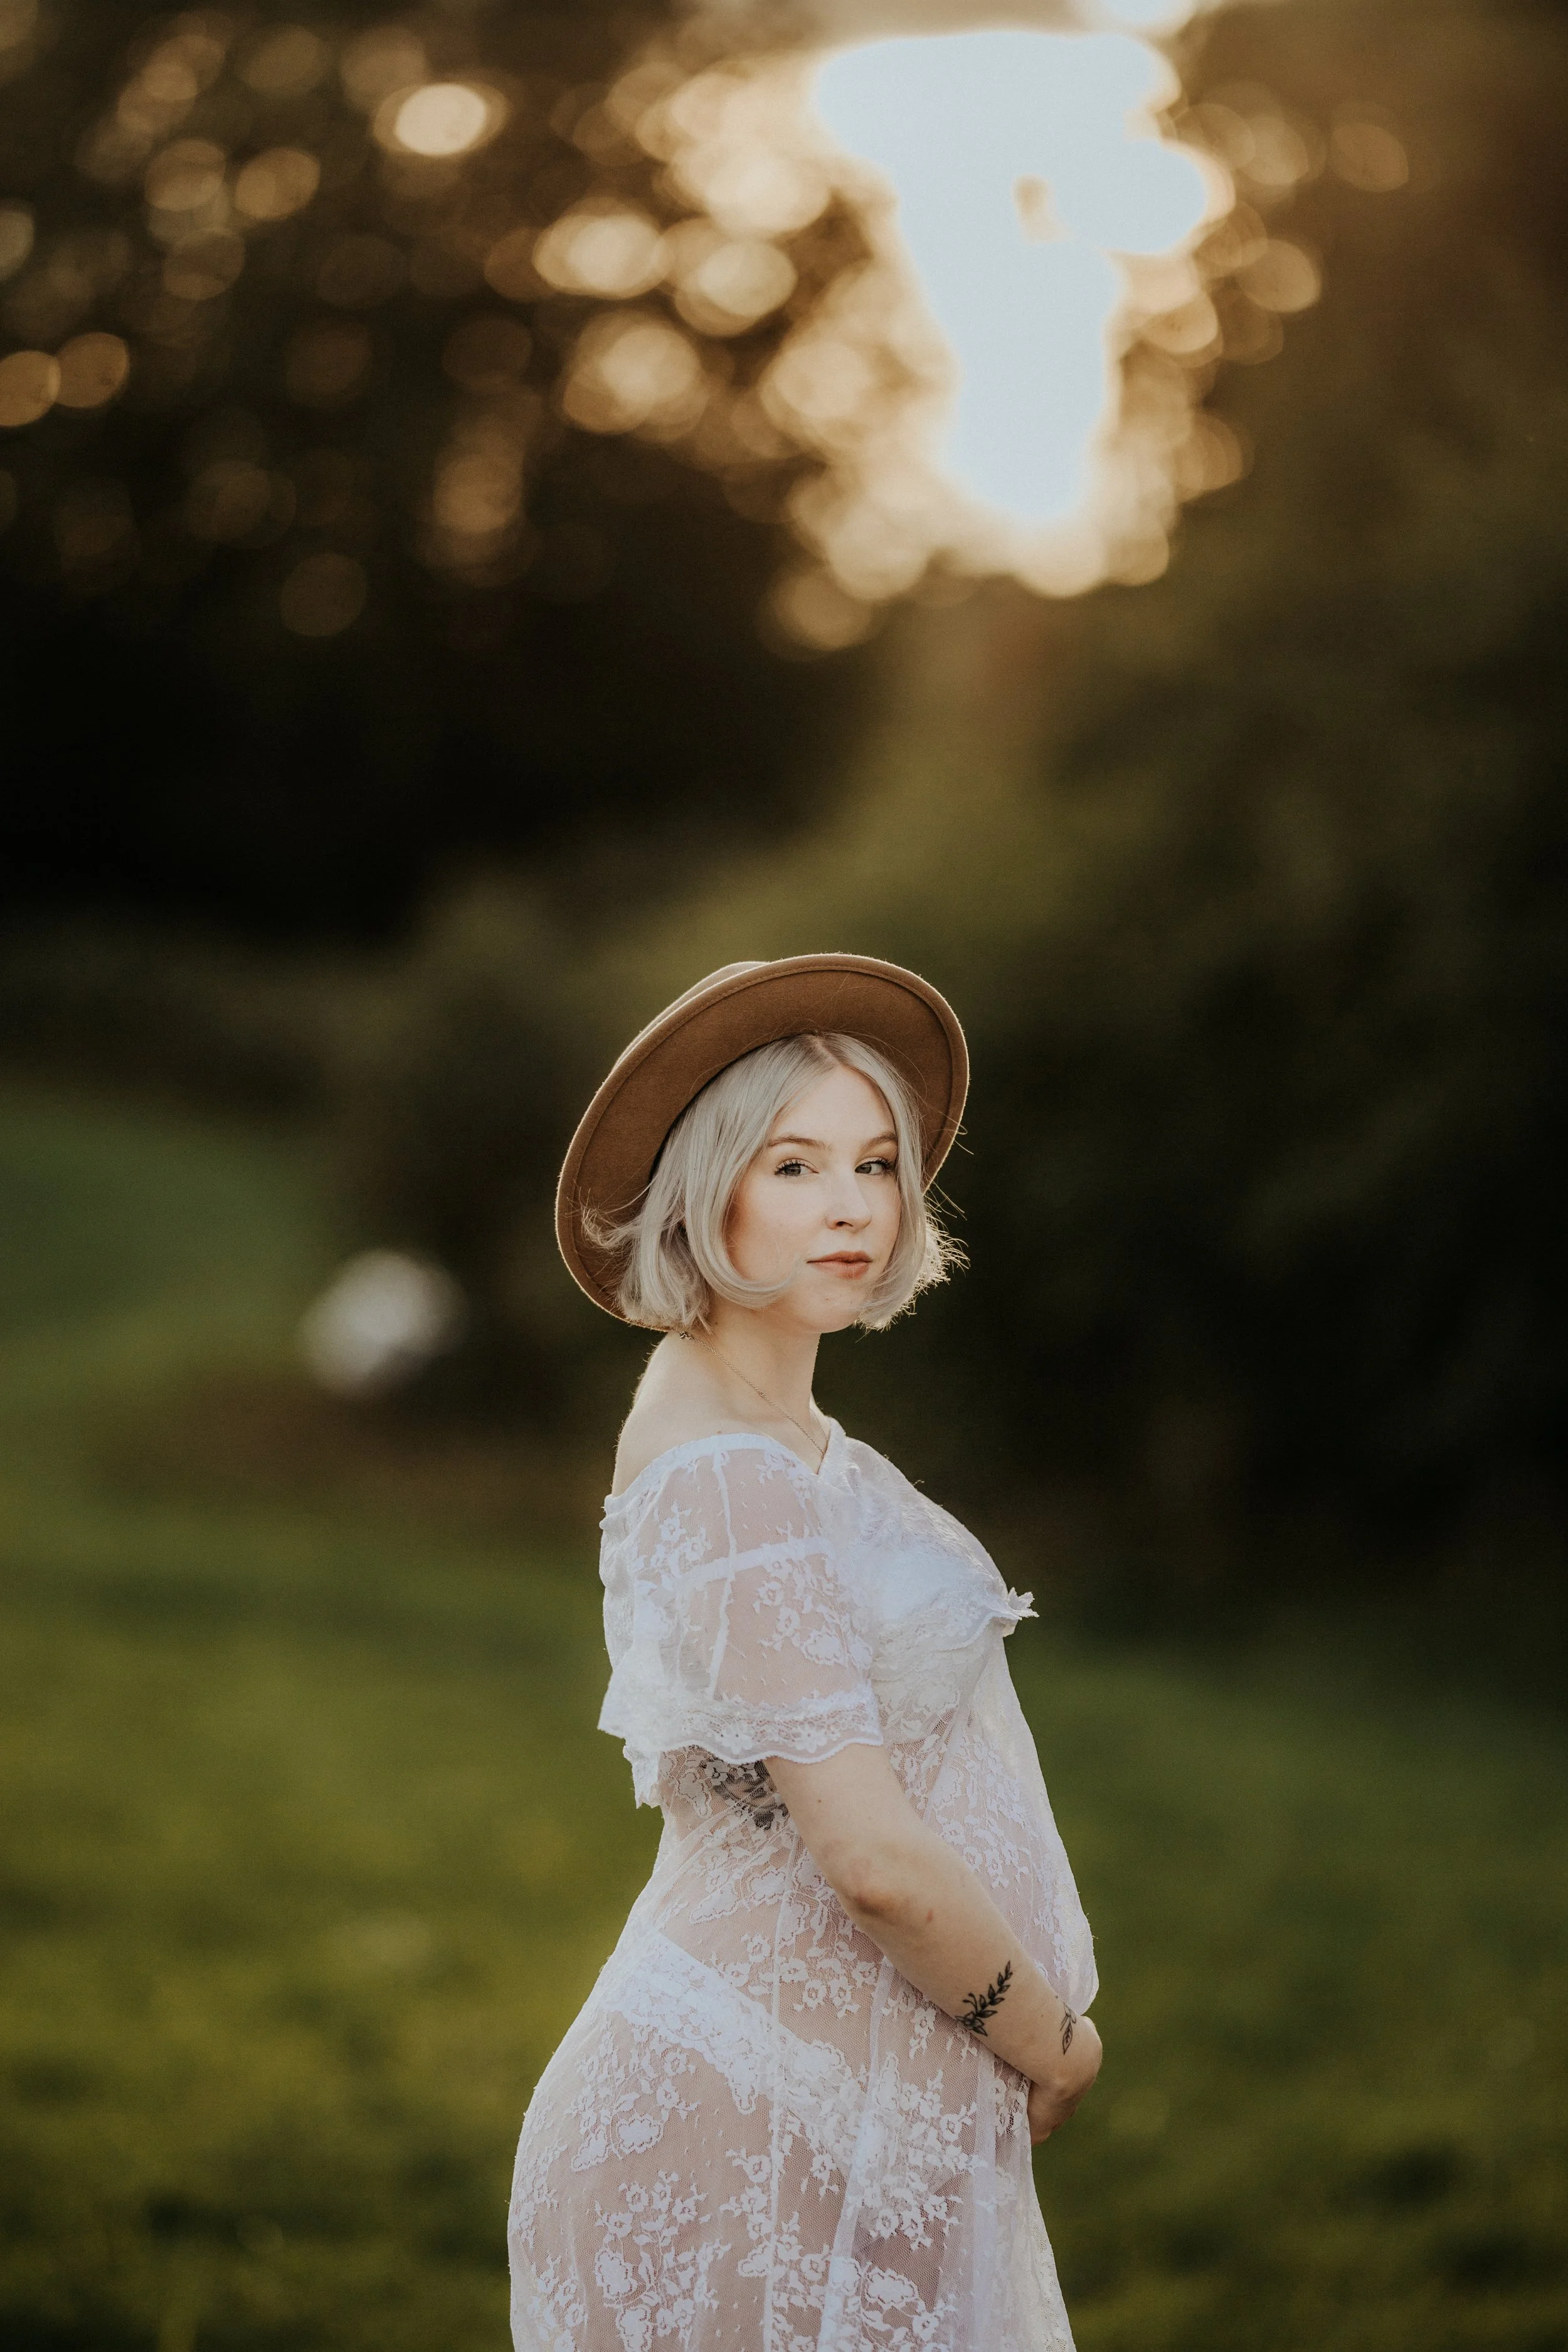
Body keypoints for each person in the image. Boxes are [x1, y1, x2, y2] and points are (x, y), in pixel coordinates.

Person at [509, 953, 1101, 2352]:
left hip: (850, 2123)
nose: (850, 1206)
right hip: (749, 2125)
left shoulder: (776, 1435)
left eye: (876, 1163)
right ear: (705, 1187)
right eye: (792, 1165)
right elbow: (873, 1862)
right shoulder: (729, 1475)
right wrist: (1051, 2044)